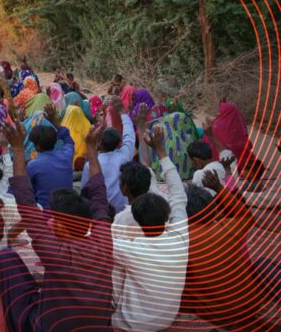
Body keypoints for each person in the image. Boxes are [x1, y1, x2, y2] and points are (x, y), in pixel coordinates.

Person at [0, 120, 114, 331]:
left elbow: (25, 200)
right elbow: (99, 197)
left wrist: (17, 148)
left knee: (6, 258)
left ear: (59, 226)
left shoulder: (54, 251)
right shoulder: (104, 240)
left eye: (53, 219)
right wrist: (91, 148)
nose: (48, 221)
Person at [112, 125, 189, 331]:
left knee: (114, 270)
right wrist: (161, 151)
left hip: (129, 325)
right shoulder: (180, 238)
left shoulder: (129, 247)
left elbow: (98, 243)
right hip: (167, 319)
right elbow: (178, 195)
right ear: (167, 216)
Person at [182, 170, 280, 330]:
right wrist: (220, 189)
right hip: (250, 304)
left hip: (219, 315)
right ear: (212, 209)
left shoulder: (182, 241)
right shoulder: (227, 227)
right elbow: (246, 216)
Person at [80, 97, 136, 213]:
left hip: (100, 211)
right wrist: (122, 112)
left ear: (100, 144)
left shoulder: (90, 165)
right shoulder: (124, 157)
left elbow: (84, 191)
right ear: (117, 144)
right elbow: (129, 135)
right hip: (122, 210)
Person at [25, 103, 75, 208]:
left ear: (37, 146)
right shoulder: (67, 155)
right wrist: (54, 121)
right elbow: (68, 139)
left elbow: (26, 191)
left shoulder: (33, 165)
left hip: (46, 212)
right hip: (68, 208)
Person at [188, 117, 235, 191]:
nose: (193, 165)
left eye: (192, 162)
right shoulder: (229, 163)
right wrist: (211, 136)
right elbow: (225, 152)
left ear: (197, 161)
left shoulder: (200, 174)